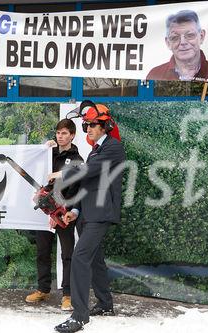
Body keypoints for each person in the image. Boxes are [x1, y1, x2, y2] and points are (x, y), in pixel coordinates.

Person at [49, 103, 126, 333]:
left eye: (93, 125)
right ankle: (104, 303)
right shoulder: (95, 150)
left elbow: (86, 171)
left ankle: (79, 316)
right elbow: (88, 185)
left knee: (80, 258)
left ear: (105, 126)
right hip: (88, 213)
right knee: (94, 259)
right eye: (87, 125)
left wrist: (61, 173)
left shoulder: (113, 148)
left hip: (101, 214)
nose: (89, 128)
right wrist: (76, 211)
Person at [25, 119, 83, 311]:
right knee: (42, 251)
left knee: (67, 254)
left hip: (64, 213)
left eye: (65, 133)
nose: (60, 136)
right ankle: (43, 289)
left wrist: (61, 210)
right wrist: (43, 148)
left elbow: (77, 180)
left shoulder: (77, 159)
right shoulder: (49, 153)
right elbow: (36, 168)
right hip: (45, 210)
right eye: (58, 133)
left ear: (72, 135)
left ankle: (68, 295)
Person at [146, 10, 208, 82]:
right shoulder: (155, 73)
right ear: (168, 43)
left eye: (190, 35)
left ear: (201, 36)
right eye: (175, 37)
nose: (183, 42)